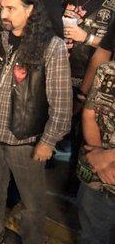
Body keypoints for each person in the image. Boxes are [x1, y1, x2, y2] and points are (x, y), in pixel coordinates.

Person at [0, 0, 72, 244]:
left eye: (11, 8)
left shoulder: (52, 46)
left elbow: (61, 101)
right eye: (2, 7)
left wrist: (48, 141)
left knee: (32, 201)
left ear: (30, 9)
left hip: (26, 138)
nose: (4, 14)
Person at [63, 0, 115, 195]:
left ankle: (76, 184)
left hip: (90, 78)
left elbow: (108, 50)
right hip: (62, 70)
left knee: (81, 135)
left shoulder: (112, 4)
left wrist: (88, 38)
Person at [76, 54, 115, 244]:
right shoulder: (107, 71)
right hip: (98, 177)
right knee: (91, 235)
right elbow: (90, 114)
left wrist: (106, 157)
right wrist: (99, 161)